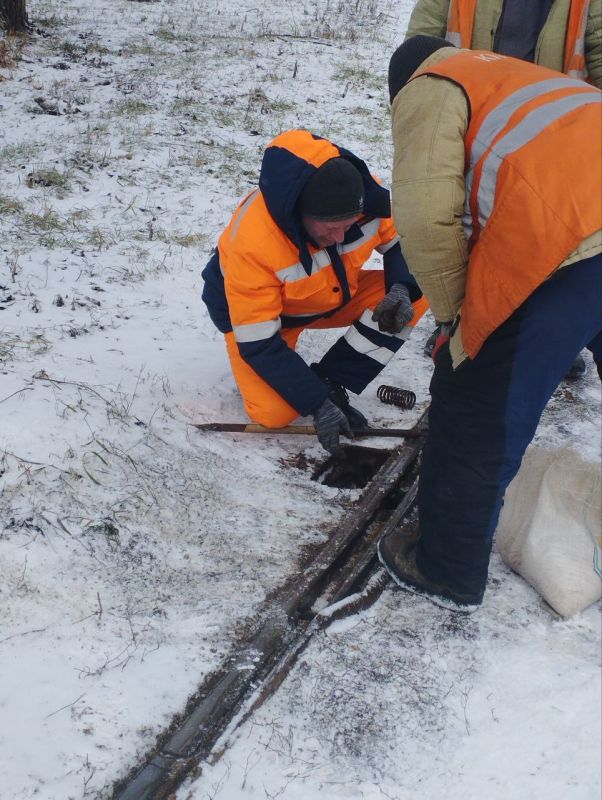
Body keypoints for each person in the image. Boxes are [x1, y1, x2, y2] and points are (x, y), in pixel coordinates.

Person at [377, 35, 602, 611]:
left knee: (476, 405)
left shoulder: (429, 88)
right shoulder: (509, 76)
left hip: (569, 242)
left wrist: (455, 322)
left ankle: (445, 570)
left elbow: (427, 219)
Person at [405, 0, 602, 376]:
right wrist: (420, 103)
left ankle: (546, 335)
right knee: (465, 221)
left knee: (544, 234)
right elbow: (422, 40)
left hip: (550, 132)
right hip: (472, 119)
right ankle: (462, 325)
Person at [201, 129, 428, 453]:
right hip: (265, 320)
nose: (341, 238)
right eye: (331, 229)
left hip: (329, 296)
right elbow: (259, 343)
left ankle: (334, 378)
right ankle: (317, 391)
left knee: (419, 291)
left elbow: (400, 244)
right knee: (274, 414)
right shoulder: (252, 245)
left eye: (348, 226)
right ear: (300, 214)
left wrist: (402, 288)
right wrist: (317, 404)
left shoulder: (364, 197)